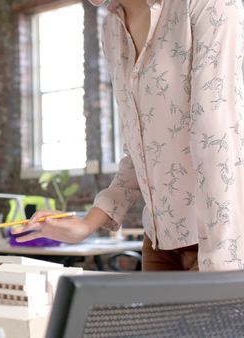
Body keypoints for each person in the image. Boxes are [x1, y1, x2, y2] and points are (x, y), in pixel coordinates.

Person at [14, 0, 244, 271]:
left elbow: (219, 140)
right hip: (159, 243)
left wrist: (222, 265)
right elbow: (140, 151)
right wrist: (87, 224)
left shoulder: (207, 5)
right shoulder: (112, 28)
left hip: (224, 241)